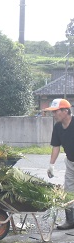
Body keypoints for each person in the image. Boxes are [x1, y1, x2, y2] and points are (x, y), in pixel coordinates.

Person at [44, 98, 74, 230]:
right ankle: (70, 221)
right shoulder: (57, 127)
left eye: (56, 111)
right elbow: (56, 146)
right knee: (68, 191)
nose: (53, 114)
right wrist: (51, 165)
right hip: (70, 162)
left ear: (66, 111)